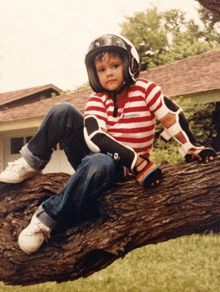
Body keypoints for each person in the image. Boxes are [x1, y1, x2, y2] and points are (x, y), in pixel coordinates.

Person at [0, 34, 216, 254]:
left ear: (130, 64)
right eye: (101, 69)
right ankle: (30, 162)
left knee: (99, 164)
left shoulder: (146, 90)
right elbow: (95, 137)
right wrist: (136, 161)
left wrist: (190, 147)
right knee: (62, 110)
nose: (109, 72)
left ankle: (46, 219)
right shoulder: (96, 99)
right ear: (94, 74)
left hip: (114, 169)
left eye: (115, 65)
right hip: (99, 156)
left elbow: (171, 117)